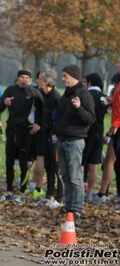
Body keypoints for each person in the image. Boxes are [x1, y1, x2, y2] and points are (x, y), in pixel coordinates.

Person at [0, 68, 43, 205]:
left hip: (26, 132)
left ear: (30, 80)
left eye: (27, 78)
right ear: (17, 79)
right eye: (22, 77)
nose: (24, 80)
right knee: (9, 162)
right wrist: (4, 103)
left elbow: (42, 110)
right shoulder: (10, 90)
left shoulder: (34, 93)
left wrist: (38, 124)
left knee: (24, 163)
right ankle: (9, 191)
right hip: (11, 130)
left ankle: (22, 192)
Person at [54, 64, 95, 218]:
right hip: (62, 140)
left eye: (65, 76)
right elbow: (60, 117)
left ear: (74, 77)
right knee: (65, 175)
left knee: (75, 176)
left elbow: (90, 119)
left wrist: (79, 108)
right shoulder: (66, 95)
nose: (62, 79)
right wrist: (55, 132)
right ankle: (69, 204)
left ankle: (77, 207)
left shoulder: (84, 96)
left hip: (75, 141)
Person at [30, 68, 62, 208]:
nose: (38, 81)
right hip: (44, 136)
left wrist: (55, 132)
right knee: (48, 167)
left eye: (40, 79)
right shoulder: (42, 95)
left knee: (57, 168)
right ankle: (49, 195)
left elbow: (60, 119)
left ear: (47, 82)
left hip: (54, 138)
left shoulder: (56, 98)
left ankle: (60, 198)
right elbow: (40, 113)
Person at [92, 72, 120, 202]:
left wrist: (111, 131)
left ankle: (103, 193)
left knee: (109, 162)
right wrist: (111, 102)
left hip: (116, 130)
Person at [82, 73, 108, 201]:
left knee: (79, 163)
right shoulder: (105, 98)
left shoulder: (86, 95)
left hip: (86, 133)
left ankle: (79, 190)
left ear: (90, 83)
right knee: (94, 164)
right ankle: (90, 194)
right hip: (99, 132)